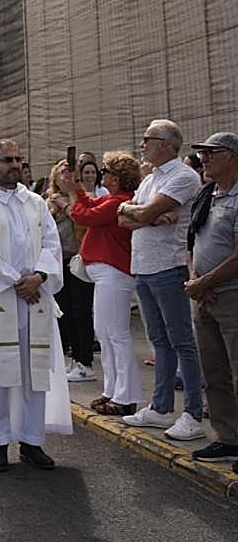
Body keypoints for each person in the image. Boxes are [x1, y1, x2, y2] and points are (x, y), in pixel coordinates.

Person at [0, 139, 71, 472]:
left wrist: (40, 276)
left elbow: (51, 242)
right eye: (8, 160)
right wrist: (16, 281)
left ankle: (32, 441)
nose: (15, 165)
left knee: (35, 372)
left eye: (19, 159)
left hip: (35, 297)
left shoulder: (35, 202)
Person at [118, 119, 206, 441]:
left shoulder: (183, 176)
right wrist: (145, 215)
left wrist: (142, 213)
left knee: (182, 339)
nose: (142, 144)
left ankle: (194, 412)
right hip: (143, 266)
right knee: (159, 340)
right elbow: (123, 219)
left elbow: (138, 215)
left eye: (147, 139)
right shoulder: (150, 178)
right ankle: (161, 406)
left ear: (166, 144)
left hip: (169, 267)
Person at [65, 152, 142, 416]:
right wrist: (75, 188)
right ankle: (112, 391)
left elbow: (86, 216)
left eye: (107, 171)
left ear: (118, 178)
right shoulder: (115, 200)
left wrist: (73, 194)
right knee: (106, 332)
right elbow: (91, 205)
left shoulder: (119, 202)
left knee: (116, 334)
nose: (103, 174)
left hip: (114, 271)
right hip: (107, 272)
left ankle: (125, 395)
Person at [182, 134, 238, 466]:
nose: (204, 158)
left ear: (232, 156)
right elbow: (192, 242)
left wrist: (204, 281)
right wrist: (196, 281)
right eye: (201, 153)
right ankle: (229, 438)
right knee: (215, 372)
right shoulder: (208, 195)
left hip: (231, 297)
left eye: (211, 153)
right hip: (206, 296)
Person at [47, 162, 95, 383]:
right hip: (58, 263)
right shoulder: (47, 202)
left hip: (78, 261)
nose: (66, 176)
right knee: (64, 311)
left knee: (81, 311)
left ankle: (85, 361)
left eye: (69, 172)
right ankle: (74, 358)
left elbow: (81, 219)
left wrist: (66, 201)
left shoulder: (80, 196)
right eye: (62, 172)